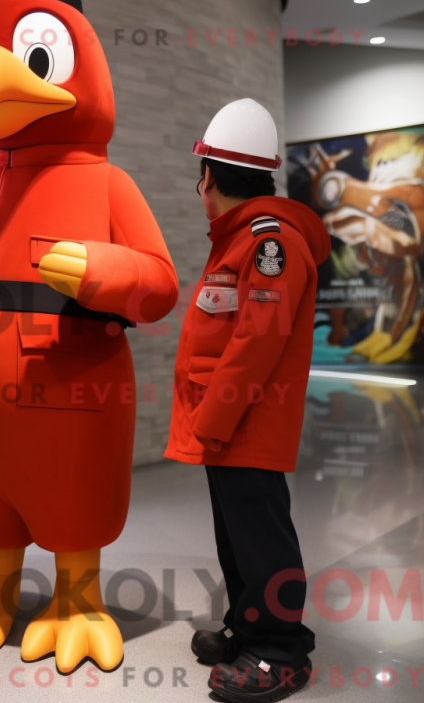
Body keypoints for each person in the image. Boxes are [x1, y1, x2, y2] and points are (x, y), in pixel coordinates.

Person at [164, 99, 331, 702]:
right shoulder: (240, 239)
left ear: (208, 175)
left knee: (262, 539)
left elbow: (257, 345)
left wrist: (212, 420)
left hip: (244, 424)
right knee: (237, 539)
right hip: (226, 426)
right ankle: (250, 629)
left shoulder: (269, 243)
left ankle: (282, 652)